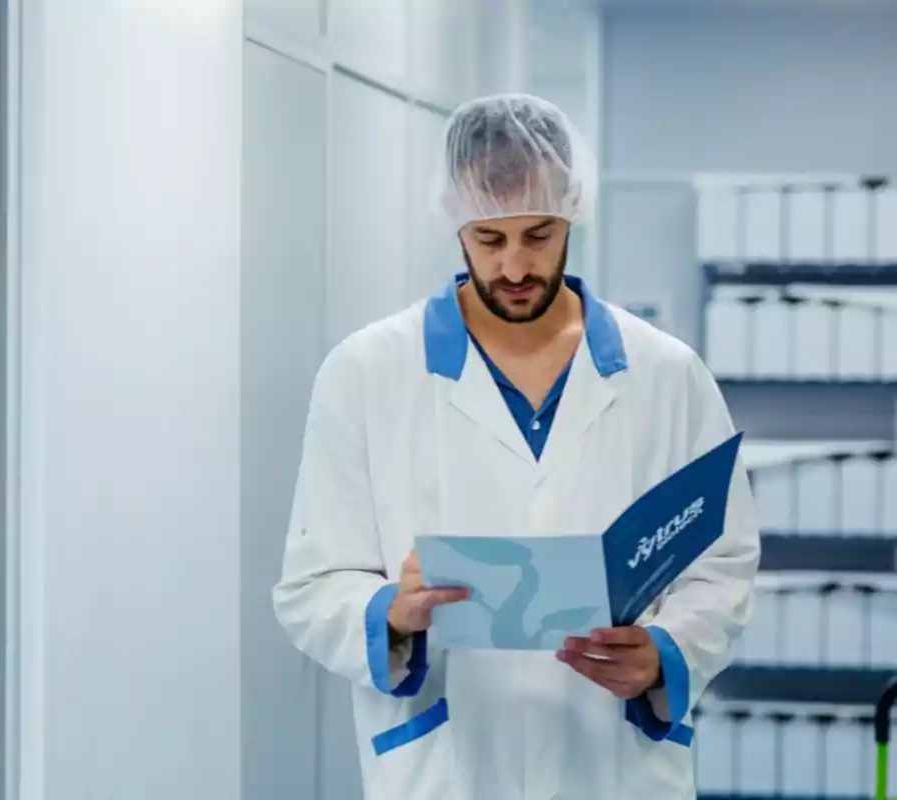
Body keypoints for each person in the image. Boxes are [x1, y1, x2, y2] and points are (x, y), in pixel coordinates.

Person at [272, 94, 760, 799]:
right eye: (489, 240)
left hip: (611, 759)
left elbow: (723, 562)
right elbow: (311, 585)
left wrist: (667, 652)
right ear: (455, 224)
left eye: (539, 235)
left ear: (573, 213)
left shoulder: (667, 374)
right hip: (446, 760)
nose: (514, 267)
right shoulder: (367, 371)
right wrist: (390, 614)